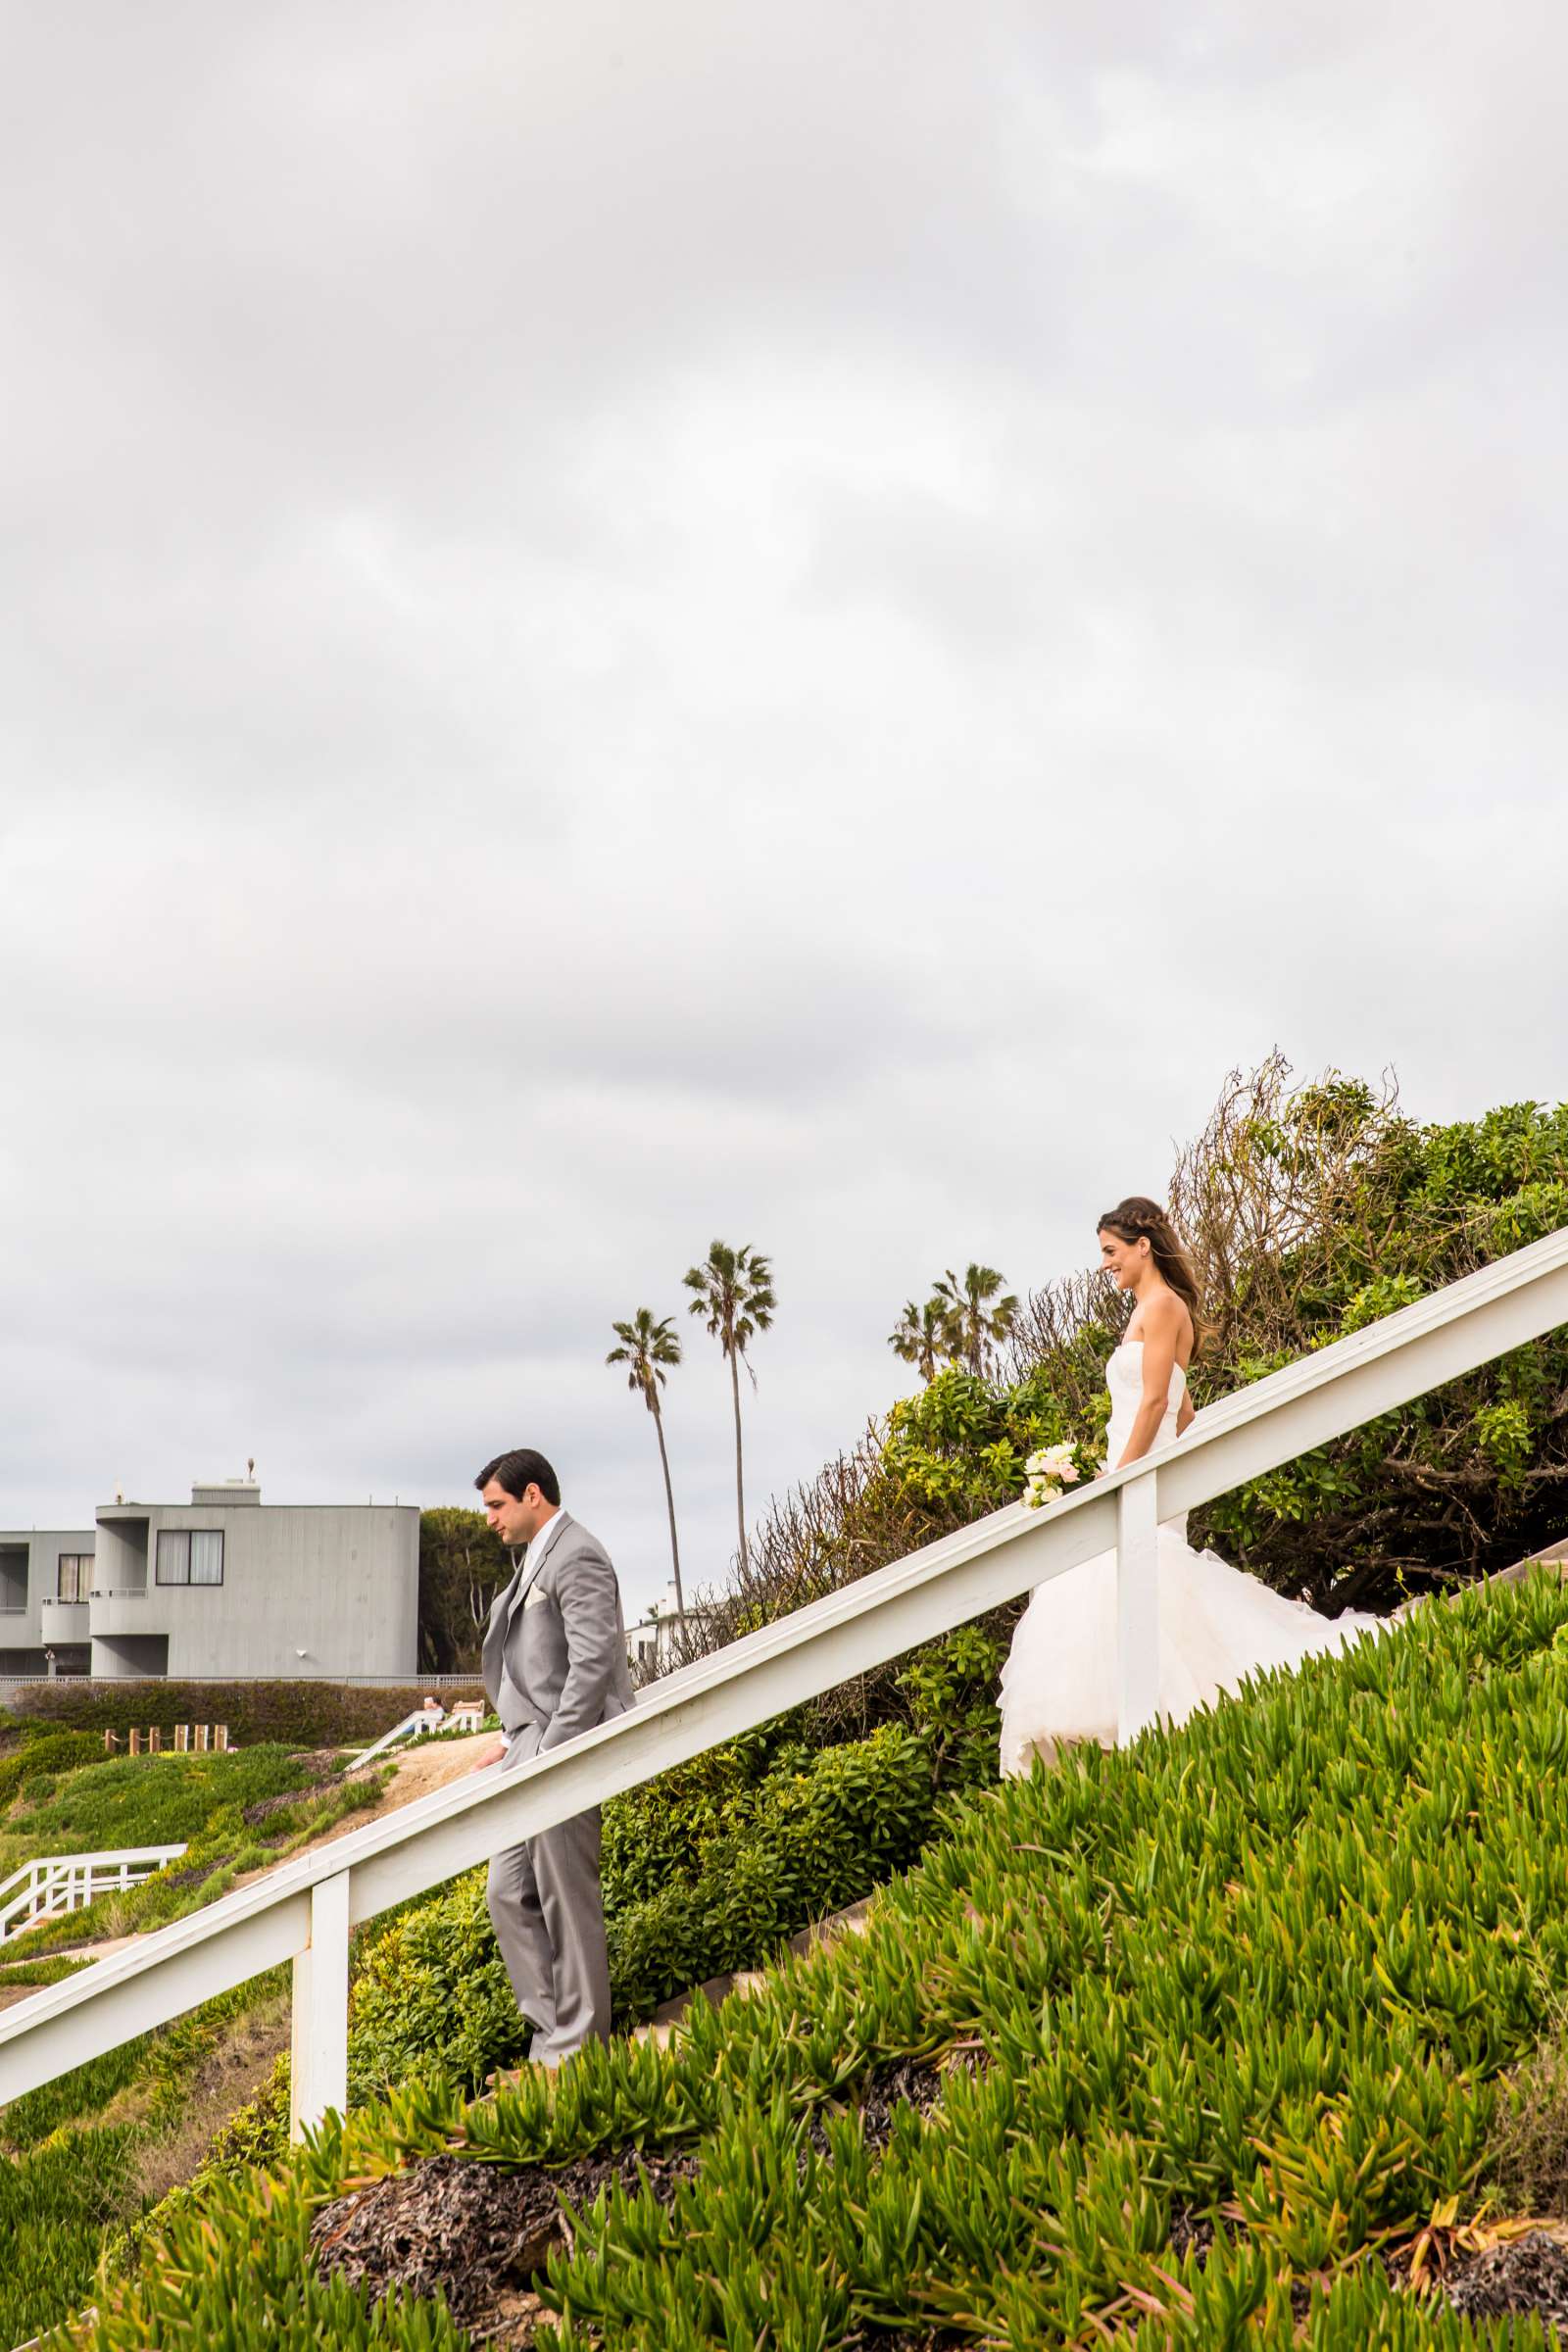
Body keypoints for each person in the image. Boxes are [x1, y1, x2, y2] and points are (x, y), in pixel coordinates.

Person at [998, 1197, 1381, 1775]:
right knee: (1114, 1589)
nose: (1105, 1265)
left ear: (1141, 1246)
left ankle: (1163, 1723)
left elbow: (1155, 1400)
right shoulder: (1143, 1309)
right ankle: (1128, 1738)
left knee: (1137, 1584)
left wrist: (1124, 1473)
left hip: (1135, 1471)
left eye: (1111, 1252)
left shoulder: (1164, 1305)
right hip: (1133, 1460)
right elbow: (1183, 1413)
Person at [471, 1446, 634, 2064]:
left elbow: (592, 1662)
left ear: (532, 1494)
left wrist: (556, 1751)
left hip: (563, 1748)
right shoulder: (531, 1562)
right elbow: (532, 1666)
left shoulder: (579, 1552)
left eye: (496, 1505)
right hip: (527, 1750)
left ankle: (581, 2046)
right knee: (506, 1893)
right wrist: (511, 1742)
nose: (489, 1519)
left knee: (568, 1894)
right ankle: (552, 2038)